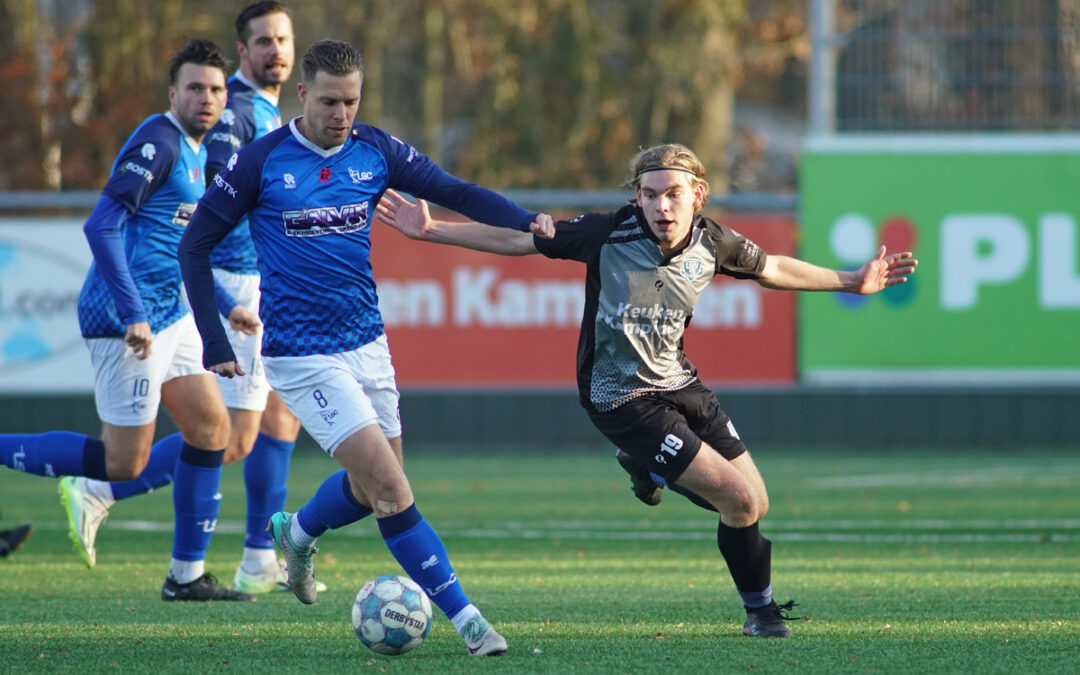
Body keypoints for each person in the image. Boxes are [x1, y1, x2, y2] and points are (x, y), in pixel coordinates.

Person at [374, 142, 918, 638]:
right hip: (620, 397)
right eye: (650, 194)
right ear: (637, 197)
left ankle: (649, 469)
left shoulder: (714, 241)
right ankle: (761, 613)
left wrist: (852, 280)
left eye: (674, 194)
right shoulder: (607, 233)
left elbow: (772, 267)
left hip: (681, 383)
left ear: (697, 195)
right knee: (741, 498)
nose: (662, 206)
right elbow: (522, 240)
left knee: (754, 504)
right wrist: (433, 231)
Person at [178, 39, 554, 656]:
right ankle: (469, 622)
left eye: (351, 102)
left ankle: (297, 533)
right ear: (303, 94)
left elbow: (457, 192)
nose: (340, 115)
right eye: (329, 101)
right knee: (393, 489)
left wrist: (526, 218)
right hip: (301, 354)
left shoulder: (375, 150)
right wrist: (214, 341)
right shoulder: (261, 162)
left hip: (367, 343)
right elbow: (194, 246)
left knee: (377, 485)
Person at [57, 1, 312, 597]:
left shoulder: (260, 112)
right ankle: (105, 488)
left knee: (270, 419)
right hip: (230, 275)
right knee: (231, 435)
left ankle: (250, 559)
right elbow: (209, 213)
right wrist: (220, 295)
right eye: (263, 41)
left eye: (284, 38)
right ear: (243, 51)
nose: (275, 49)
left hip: (236, 286)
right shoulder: (233, 118)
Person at [0, 39, 256, 601]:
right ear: (173, 93)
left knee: (213, 430)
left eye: (216, 89)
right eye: (195, 87)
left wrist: (224, 304)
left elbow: (177, 245)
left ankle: (186, 577)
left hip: (171, 311)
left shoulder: (197, 150)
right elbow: (101, 227)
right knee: (123, 461)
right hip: (126, 318)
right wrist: (134, 313)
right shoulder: (160, 142)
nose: (207, 98)